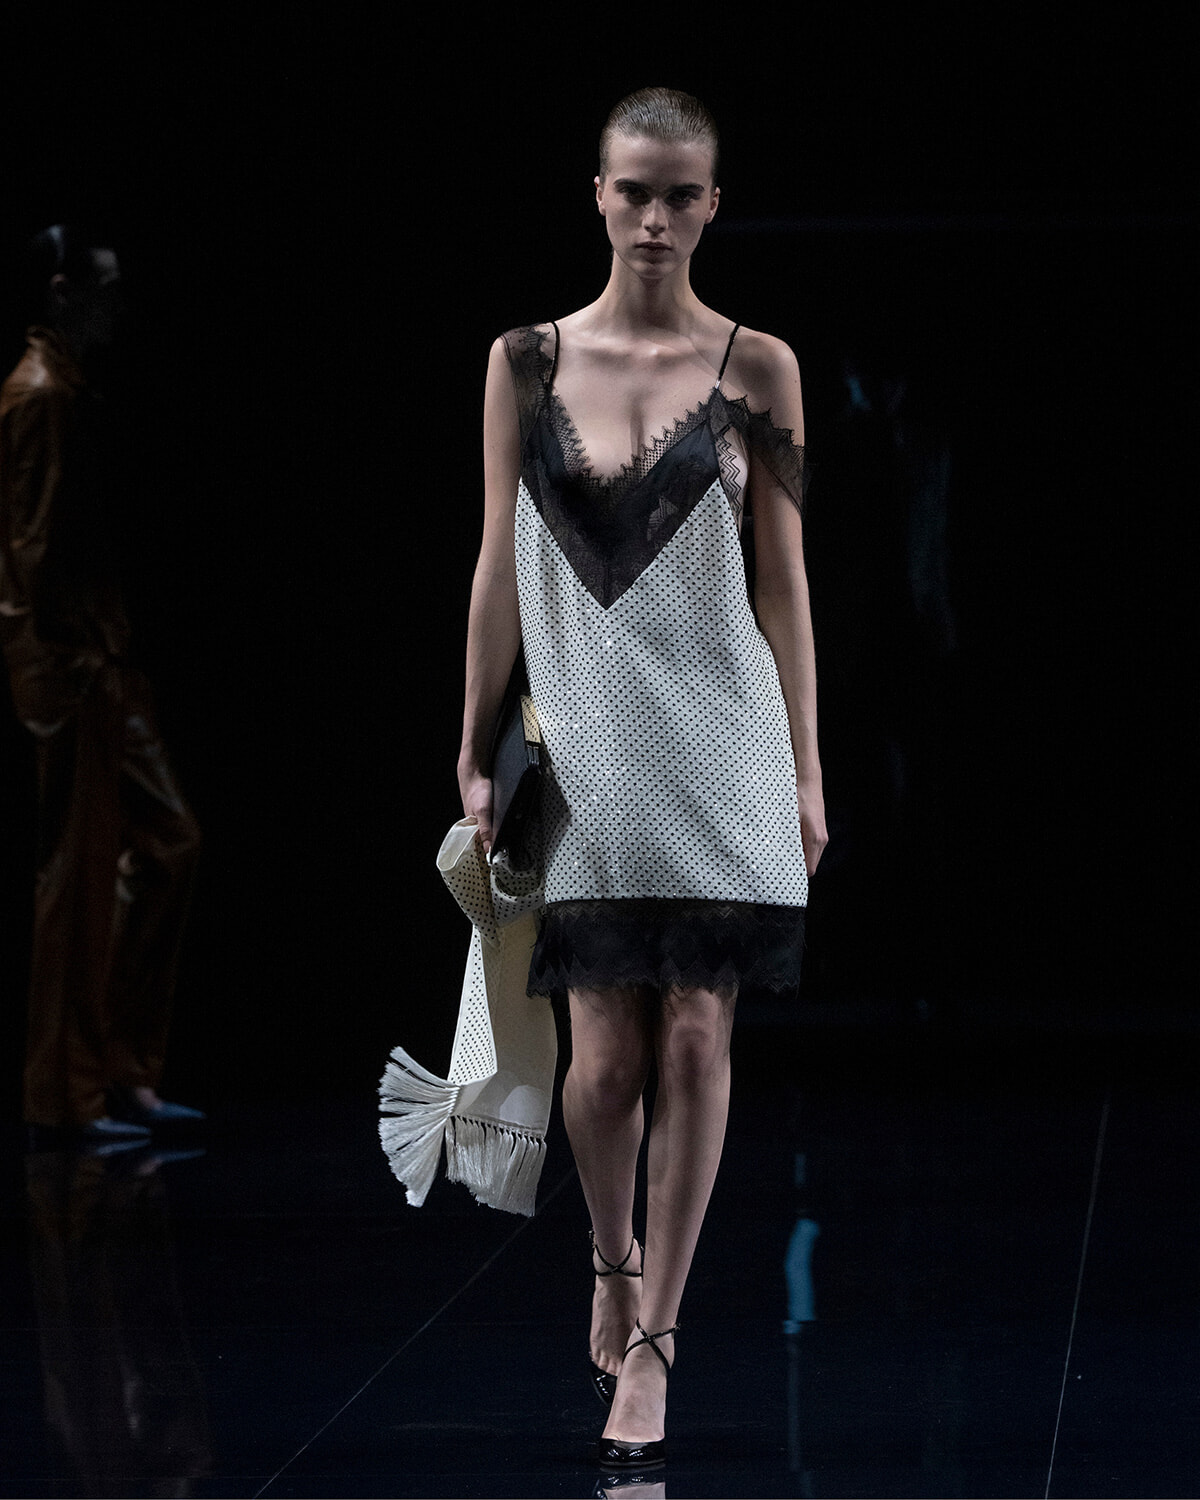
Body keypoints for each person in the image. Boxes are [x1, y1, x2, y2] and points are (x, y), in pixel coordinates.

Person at [457, 88, 827, 1469]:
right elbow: (497, 561)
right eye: (635, 191)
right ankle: (609, 1259)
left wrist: (806, 763)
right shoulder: (522, 361)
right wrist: (473, 740)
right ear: (598, 194)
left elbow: (785, 587)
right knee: (601, 1058)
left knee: (695, 1036)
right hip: (588, 749)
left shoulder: (759, 368)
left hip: (721, 741)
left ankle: (657, 1336)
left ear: (713, 205)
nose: (657, 216)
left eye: (682, 194)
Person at [0, 225, 203, 1143]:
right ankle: (66, 1097)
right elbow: (29, 556)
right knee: (75, 884)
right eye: (103, 288)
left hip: (104, 662)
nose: (117, 303)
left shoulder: (71, 390)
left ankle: (121, 1073)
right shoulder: (38, 394)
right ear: (59, 291)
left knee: (168, 846)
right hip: (74, 670)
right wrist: (63, 671)